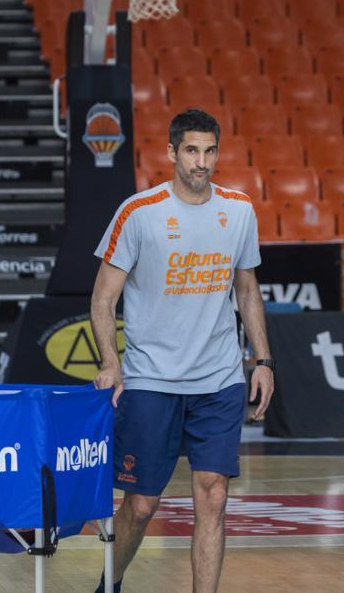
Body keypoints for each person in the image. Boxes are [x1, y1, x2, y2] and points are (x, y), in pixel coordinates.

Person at [89, 108, 275, 593]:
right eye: (192, 150)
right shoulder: (138, 212)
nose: (202, 161)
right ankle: (109, 584)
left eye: (210, 150)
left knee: (213, 497)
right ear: (172, 153)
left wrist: (263, 361)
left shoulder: (238, 210)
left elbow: (247, 289)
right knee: (141, 505)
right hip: (151, 381)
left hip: (219, 380)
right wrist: (111, 362)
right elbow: (103, 298)